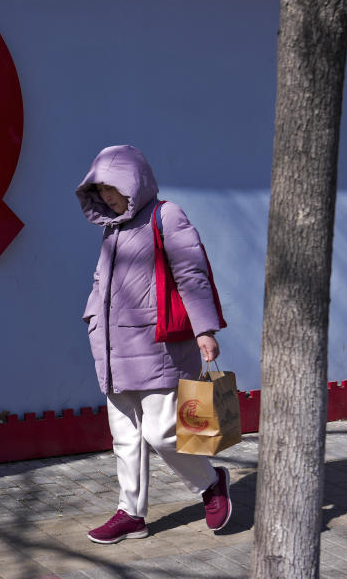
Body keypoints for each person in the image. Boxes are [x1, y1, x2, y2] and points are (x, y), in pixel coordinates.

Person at [75, 144, 231, 544]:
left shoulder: (168, 215)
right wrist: (93, 313)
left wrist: (205, 329)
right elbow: (103, 283)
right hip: (111, 350)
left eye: (113, 187)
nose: (107, 196)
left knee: (163, 433)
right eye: (100, 189)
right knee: (125, 438)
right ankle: (131, 514)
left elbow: (191, 275)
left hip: (157, 345)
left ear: (135, 180)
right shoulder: (112, 228)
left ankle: (211, 483)